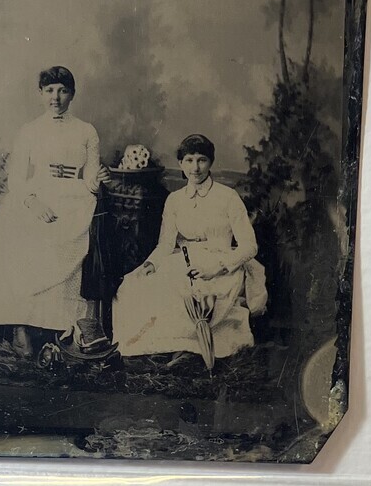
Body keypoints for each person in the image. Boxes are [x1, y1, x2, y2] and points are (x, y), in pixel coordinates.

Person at [0, 66, 112, 356]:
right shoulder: (30, 131)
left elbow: (88, 181)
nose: (56, 97)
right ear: (40, 94)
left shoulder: (87, 131)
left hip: (74, 198)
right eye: (49, 90)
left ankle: (53, 326)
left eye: (63, 90)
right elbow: (17, 180)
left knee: (54, 238)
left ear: (72, 94)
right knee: (5, 231)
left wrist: (97, 180)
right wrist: (34, 203)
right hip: (35, 195)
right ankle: (20, 326)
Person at [112, 134, 267, 361]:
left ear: (210, 162)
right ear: (181, 164)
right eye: (189, 160)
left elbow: (249, 246)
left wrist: (219, 267)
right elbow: (165, 244)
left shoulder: (228, 197)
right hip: (183, 259)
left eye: (202, 160)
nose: (195, 168)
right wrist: (150, 263)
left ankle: (188, 350)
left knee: (189, 292)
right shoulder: (175, 200)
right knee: (137, 284)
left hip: (222, 264)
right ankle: (162, 348)